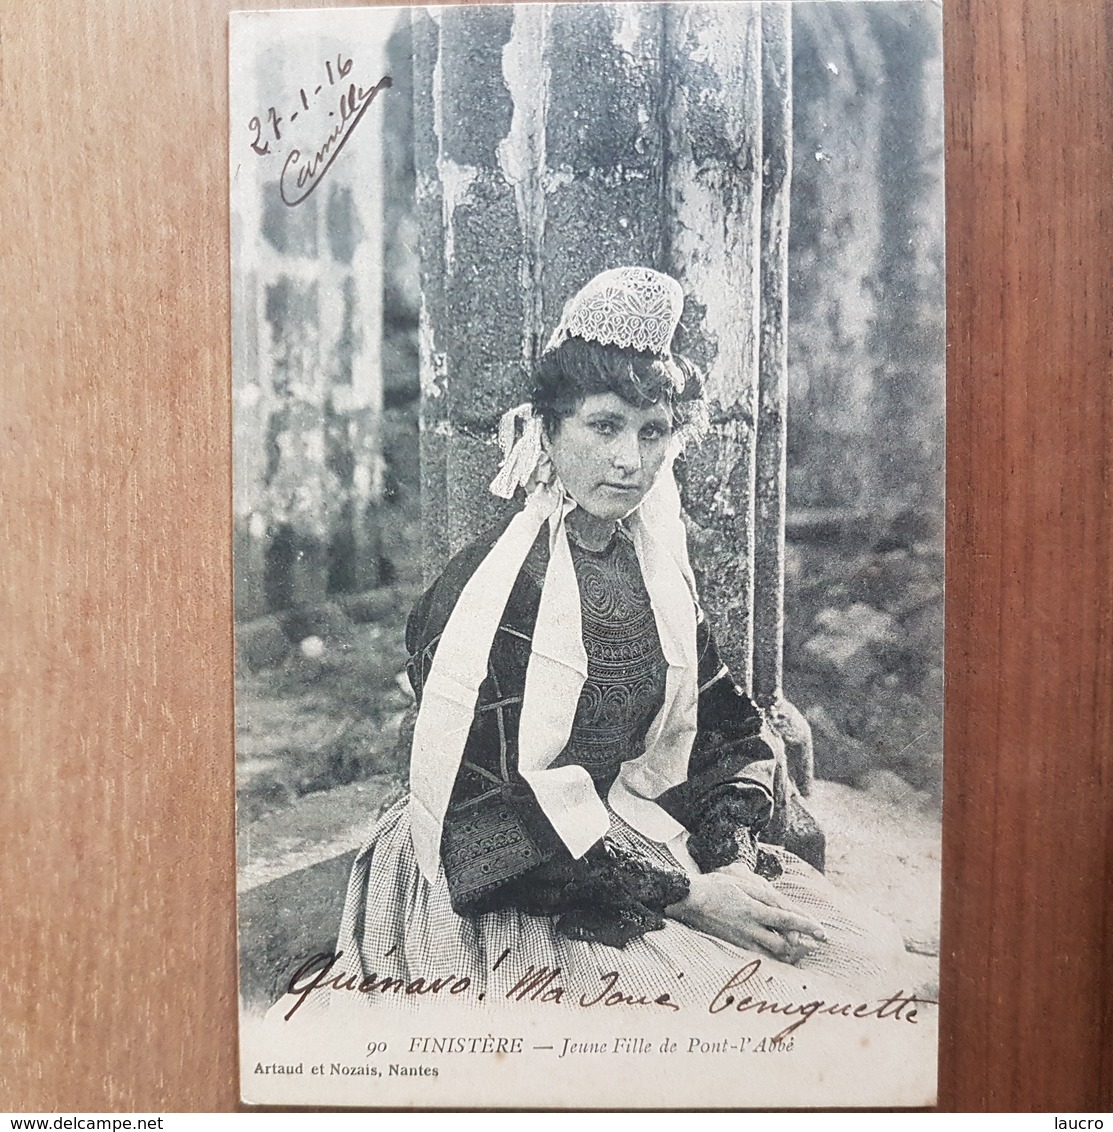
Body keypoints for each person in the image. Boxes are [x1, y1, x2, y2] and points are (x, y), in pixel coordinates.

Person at [317, 267, 904, 1013]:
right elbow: (491, 812)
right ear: (548, 431)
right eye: (603, 427)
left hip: (617, 831)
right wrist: (686, 896)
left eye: (651, 431)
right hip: (509, 873)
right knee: (761, 1018)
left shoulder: (649, 568)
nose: (630, 461)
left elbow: (720, 718)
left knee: (859, 961)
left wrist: (724, 850)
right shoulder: (494, 590)